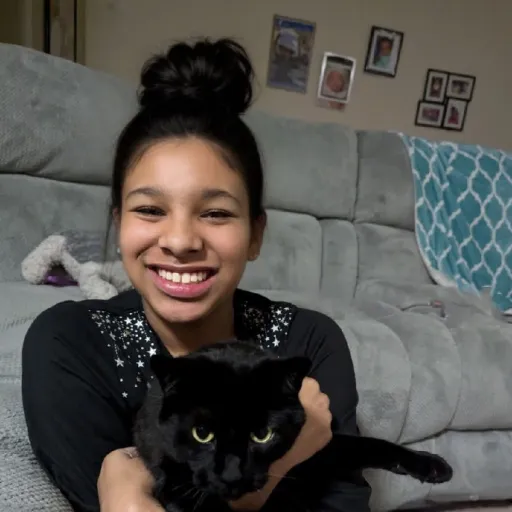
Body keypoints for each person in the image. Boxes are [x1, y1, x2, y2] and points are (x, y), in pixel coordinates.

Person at [21, 37, 371, 512]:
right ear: (118, 224)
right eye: (150, 210)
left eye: (215, 213)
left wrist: (133, 491)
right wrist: (291, 456)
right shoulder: (70, 345)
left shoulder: (308, 344)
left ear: (255, 234)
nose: (181, 241)